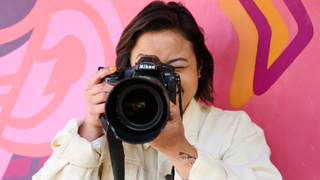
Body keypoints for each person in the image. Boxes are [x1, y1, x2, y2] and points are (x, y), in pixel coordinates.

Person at [33, 1, 282, 180]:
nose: (161, 82)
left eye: (175, 68)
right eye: (146, 69)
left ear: (199, 68)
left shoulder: (234, 130)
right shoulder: (103, 130)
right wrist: (90, 131)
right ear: (124, 70)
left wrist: (178, 150)